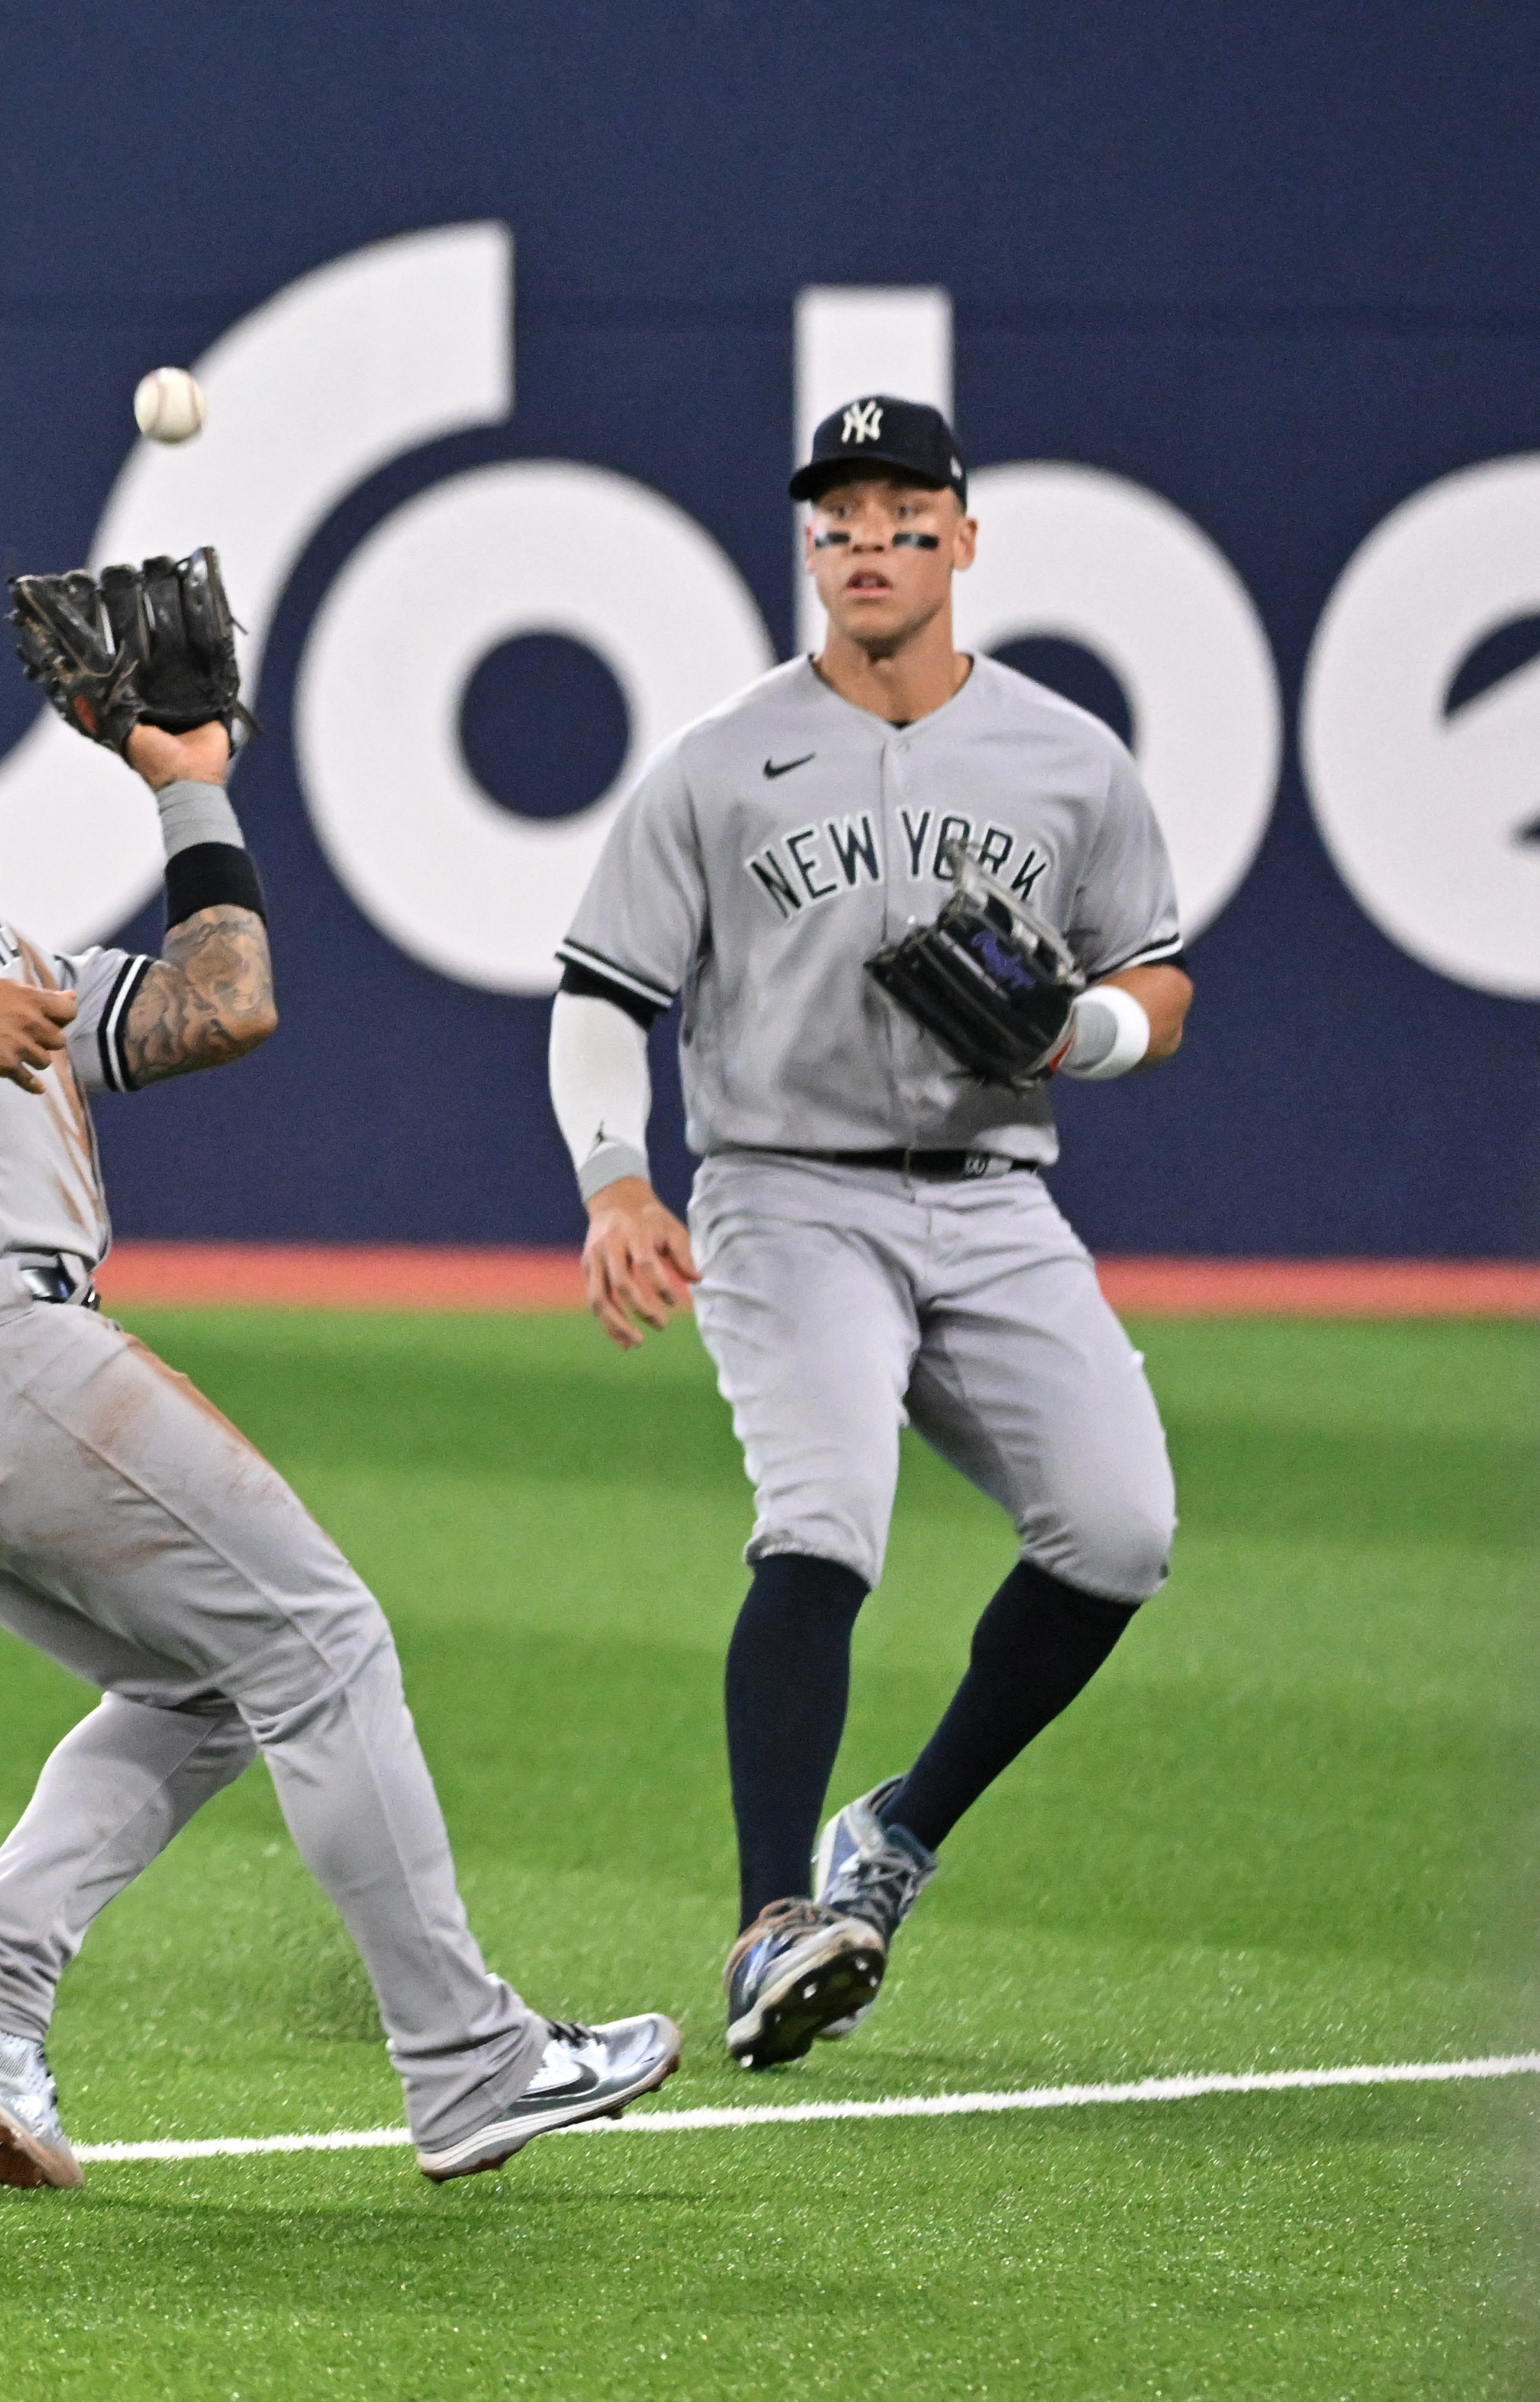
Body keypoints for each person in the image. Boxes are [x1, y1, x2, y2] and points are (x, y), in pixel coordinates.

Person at [0, 609, 680, 2189]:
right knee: (322, 1639)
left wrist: (187, 783)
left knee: (207, 1684)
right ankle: (468, 2059)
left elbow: (219, 1004)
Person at [550, 395, 1193, 2069]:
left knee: (1120, 1534)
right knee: (823, 1523)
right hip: (789, 1193)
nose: (868, 541)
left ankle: (892, 1840)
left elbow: (1160, 978)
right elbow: (601, 993)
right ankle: (775, 1922)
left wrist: (1081, 1038)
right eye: (838, 517)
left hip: (994, 1198)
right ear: (811, 547)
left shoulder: (1068, 756)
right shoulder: (716, 762)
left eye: (905, 512)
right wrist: (618, 1176)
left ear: (965, 541)